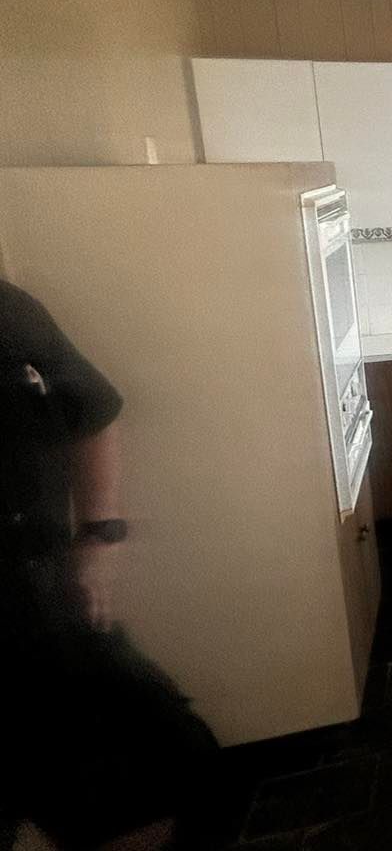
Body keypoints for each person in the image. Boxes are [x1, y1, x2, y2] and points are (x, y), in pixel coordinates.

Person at [1, 279, 221, 850]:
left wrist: (100, 537)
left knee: (174, 758)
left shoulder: (9, 309)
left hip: (45, 603)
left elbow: (94, 412)